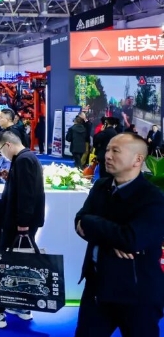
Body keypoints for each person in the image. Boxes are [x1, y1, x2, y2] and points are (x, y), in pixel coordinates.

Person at [74, 133, 164, 337]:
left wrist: (91, 222)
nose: (107, 155)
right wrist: (111, 238)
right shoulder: (101, 186)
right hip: (97, 287)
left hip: (137, 294)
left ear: (137, 160)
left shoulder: (152, 198)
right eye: (107, 150)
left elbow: (131, 240)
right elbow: (79, 220)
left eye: (116, 151)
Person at [0, 131, 45, 329]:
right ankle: (21, 306)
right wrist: (9, 177)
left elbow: (26, 194)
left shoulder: (23, 160)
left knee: (6, 266)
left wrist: (22, 223)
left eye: (0, 149)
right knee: (20, 265)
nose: (1, 154)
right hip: (22, 223)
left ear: (8, 145)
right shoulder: (27, 159)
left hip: (18, 225)